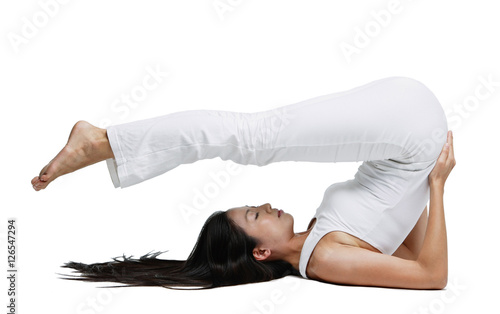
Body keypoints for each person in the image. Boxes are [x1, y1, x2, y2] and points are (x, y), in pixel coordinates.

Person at [32, 77, 455, 290]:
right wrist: (435, 183)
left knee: (258, 137)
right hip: (414, 134)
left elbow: (405, 244)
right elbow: (429, 272)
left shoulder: (317, 238)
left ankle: (107, 142)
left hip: (409, 134)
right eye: (255, 214)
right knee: (255, 139)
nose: (267, 205)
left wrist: (422, 178)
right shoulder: (323, 258)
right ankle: (103, 142)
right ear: (262, 251)